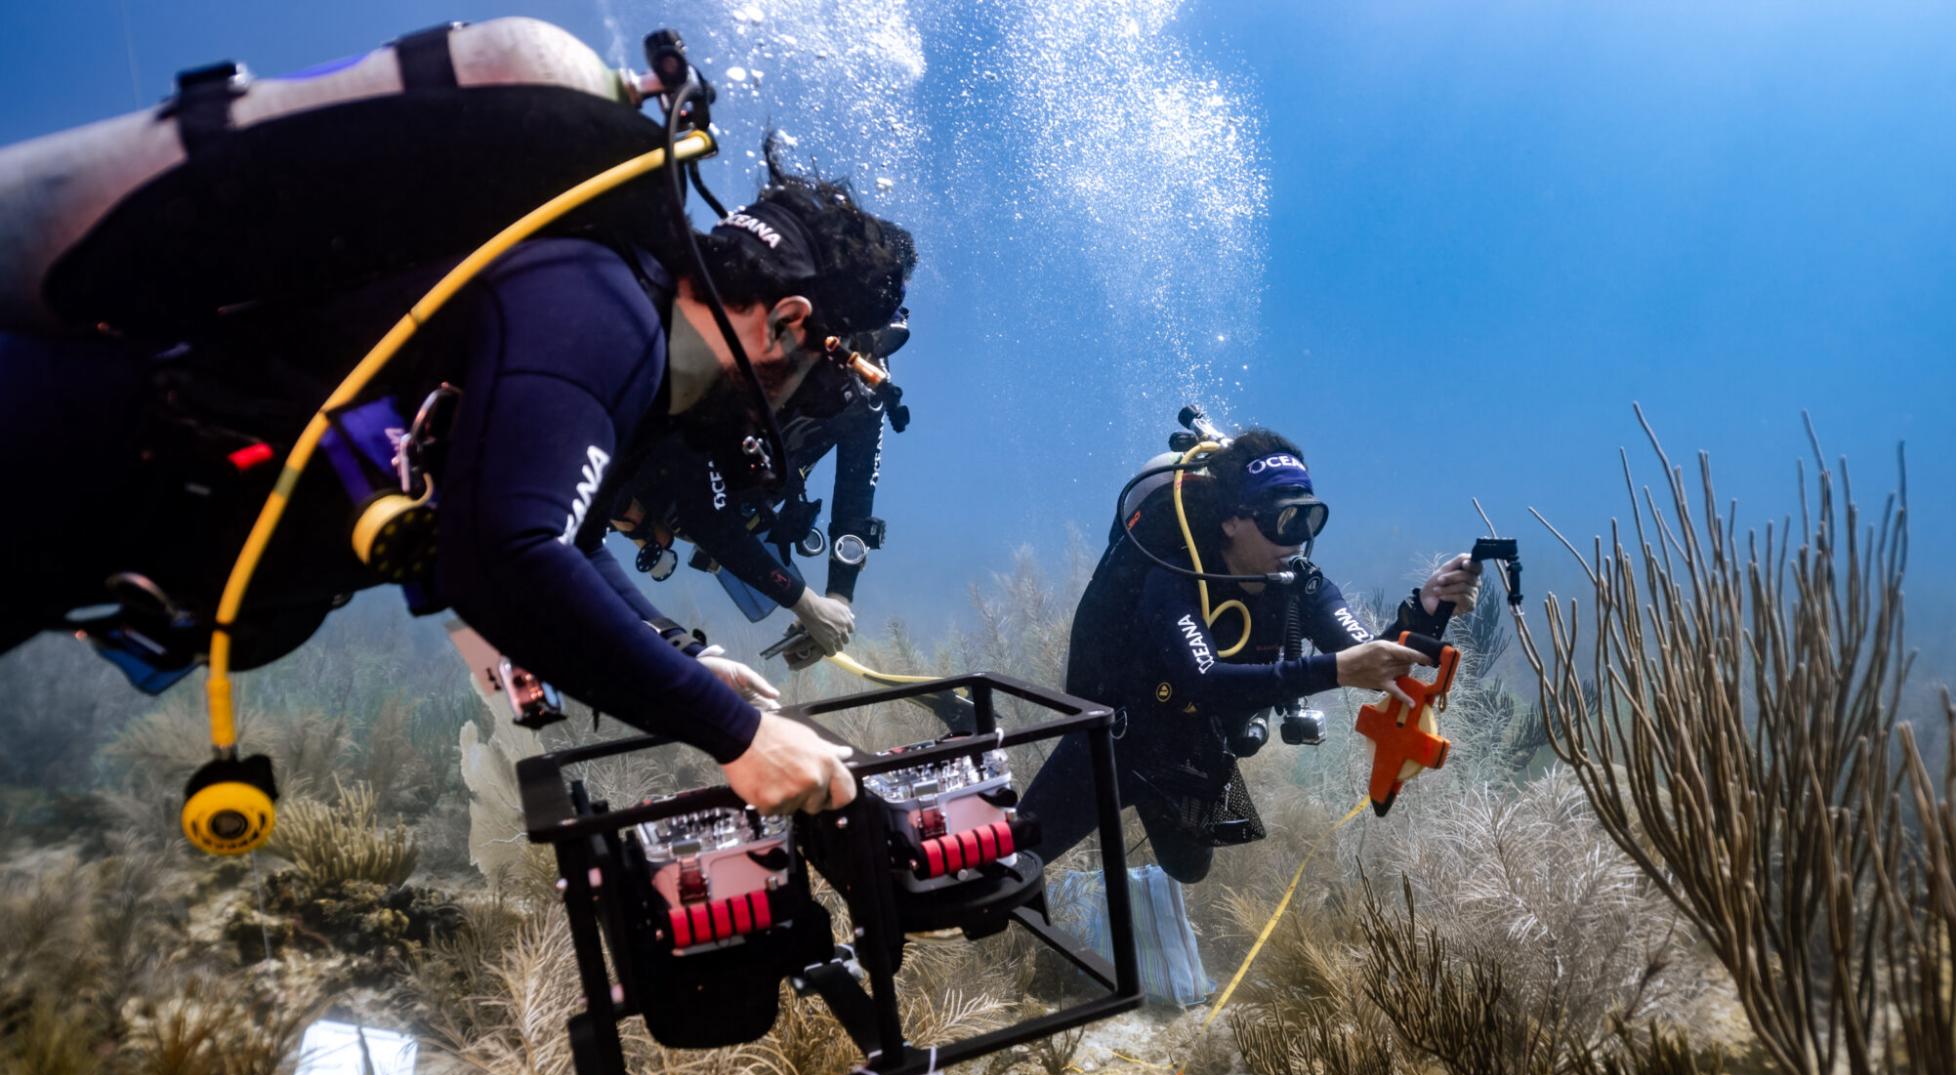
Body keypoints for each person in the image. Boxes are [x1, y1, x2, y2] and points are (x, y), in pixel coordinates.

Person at [0, 154, 916, 819]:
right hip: (59, 452)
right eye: (817, 373)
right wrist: (737, 736)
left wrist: (677, 648)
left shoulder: (610, 308)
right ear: (789, 321)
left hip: (93, 511)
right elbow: (504, 559)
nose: (792, 403)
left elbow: (554, 534)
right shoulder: (605, 316)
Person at [1018, 427, 1482, 883]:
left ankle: (1152, 814)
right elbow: (1207, 680)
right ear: (1231, 520)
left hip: (1191, 758)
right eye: (1284, 521)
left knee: (1189, 870)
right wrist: (1336, 671)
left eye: (1309, 518)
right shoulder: (1175, 577)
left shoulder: (1300, 584)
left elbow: (1366, 652)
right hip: (1117, 744)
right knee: (1010, 865)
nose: (1297, 539)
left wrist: (1424, 611)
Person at [607, 307, 910, 667]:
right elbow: (705, 517)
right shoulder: (757, 340)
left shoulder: (867, 393)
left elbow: (855, 501)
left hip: (734, 493)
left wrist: (837, 602)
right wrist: (807, 603)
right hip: (694, 473)